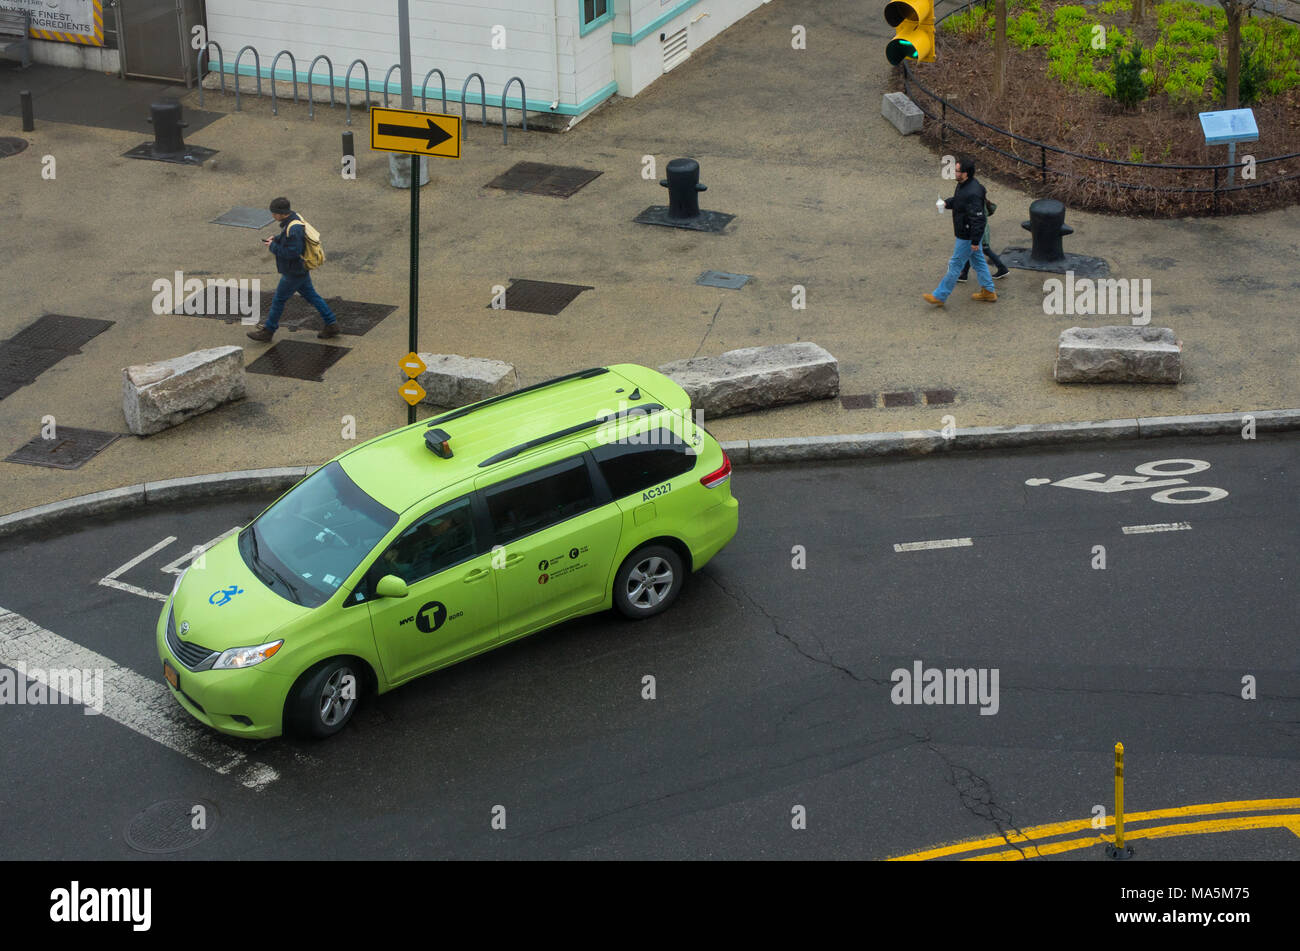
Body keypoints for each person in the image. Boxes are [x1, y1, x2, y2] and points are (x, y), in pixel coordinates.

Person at [246, 197, 339, 342]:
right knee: (312, 296)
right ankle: (331, 323)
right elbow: (289, 239)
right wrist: (276, 239)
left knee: (279, 300)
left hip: (293, 272)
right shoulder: (294, 219)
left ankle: (268, 331)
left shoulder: (293, 228)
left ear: (281, 213)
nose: (272, 216)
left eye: (274, 213)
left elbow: (292, 252)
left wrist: (272, 246)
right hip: (300, 270)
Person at [923, 157, 997, 306]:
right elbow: (959, 201)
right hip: (969, 233)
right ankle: (988, 291)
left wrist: (975, 241)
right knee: (978, 261)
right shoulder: (966, 186)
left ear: (966, 173)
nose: (954, 173)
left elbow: (978, 219)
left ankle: (940, 296)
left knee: (955, 264)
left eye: (957, 171)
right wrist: (946, 203)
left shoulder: (972, 193)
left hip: (967, 235)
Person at [958, 196, 1009, 282]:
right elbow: (991, 209)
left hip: (979, 232)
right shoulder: (981, 200)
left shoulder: (975, 204)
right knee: (972, 251)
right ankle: (964, 274)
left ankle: (1002, 268)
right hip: (982, 230)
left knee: (984, 250)